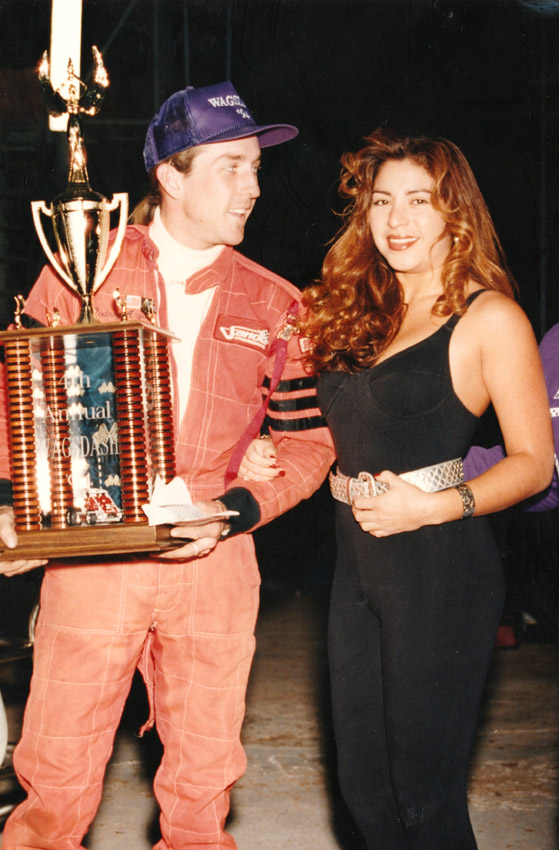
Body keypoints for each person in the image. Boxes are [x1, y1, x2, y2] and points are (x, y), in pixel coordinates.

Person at [0, 82, 334, 850]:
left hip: (214, 558)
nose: (252, 187)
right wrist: (21, 503)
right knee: (55, 774)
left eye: (255, 168)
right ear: (169, 175)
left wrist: (237, 509)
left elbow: (306, 444)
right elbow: (19, 398)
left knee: (203, 785)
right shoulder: (82, 267)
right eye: (230, 167)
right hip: (94, 553)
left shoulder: (278, 305)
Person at [240, 129, 554, 850]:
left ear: (455, 212)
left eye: (419, 200)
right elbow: (326, 427)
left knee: (424, 798)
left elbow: (535, 463)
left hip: (441, 569)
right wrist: (264, 451)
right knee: (365, 794)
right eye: (382, 201)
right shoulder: (356, 311)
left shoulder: (489, 317)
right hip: (354, 567)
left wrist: (432, 505)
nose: (397, 219)